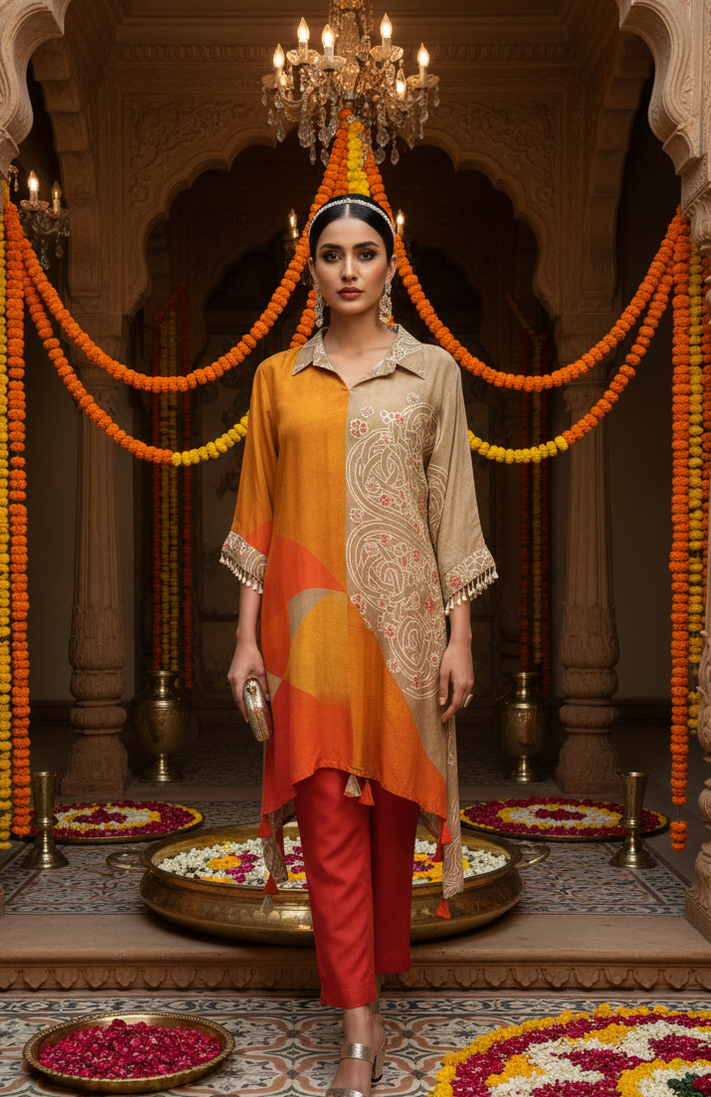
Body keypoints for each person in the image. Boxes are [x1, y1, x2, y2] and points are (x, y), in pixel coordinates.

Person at [222, 193, 496, 1097]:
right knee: (328, 822)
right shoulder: (276, 379)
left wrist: (460, 634)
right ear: (312, 267)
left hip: (405, 629)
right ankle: (357, 1026)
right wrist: (242, 642)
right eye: (332, 253)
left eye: (364, 253)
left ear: (389, 264)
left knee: (386, 825)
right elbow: (256, 517)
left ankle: (373, 981)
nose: (348, 268)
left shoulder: (433, 375)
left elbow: (452, 506)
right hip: (303, 637)